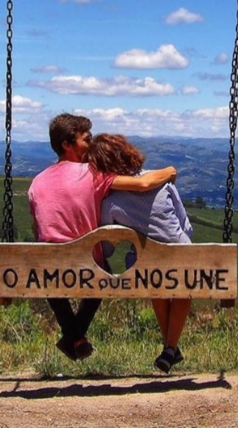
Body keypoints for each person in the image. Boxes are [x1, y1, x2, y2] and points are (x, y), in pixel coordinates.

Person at [29, 113, 177, 362]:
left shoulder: (37, 181)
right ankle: (74, 336)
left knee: (49, 271)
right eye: (86, 139)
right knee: (102, 271)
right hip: (88, 263)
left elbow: (37, 229)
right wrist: (169, 171)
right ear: (67, 143)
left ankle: (74, 337)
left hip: (50, 265)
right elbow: (142, 185)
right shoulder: (91, 174)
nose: (90, 145)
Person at [83, 133, 193, 374]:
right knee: (183, 286)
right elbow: (184, 223)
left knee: (156, 281)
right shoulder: (160, 182)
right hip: (182, 255)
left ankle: (170, 348)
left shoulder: (110, 202)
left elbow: (108, 246)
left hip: (147, 265)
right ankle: (170, 347)